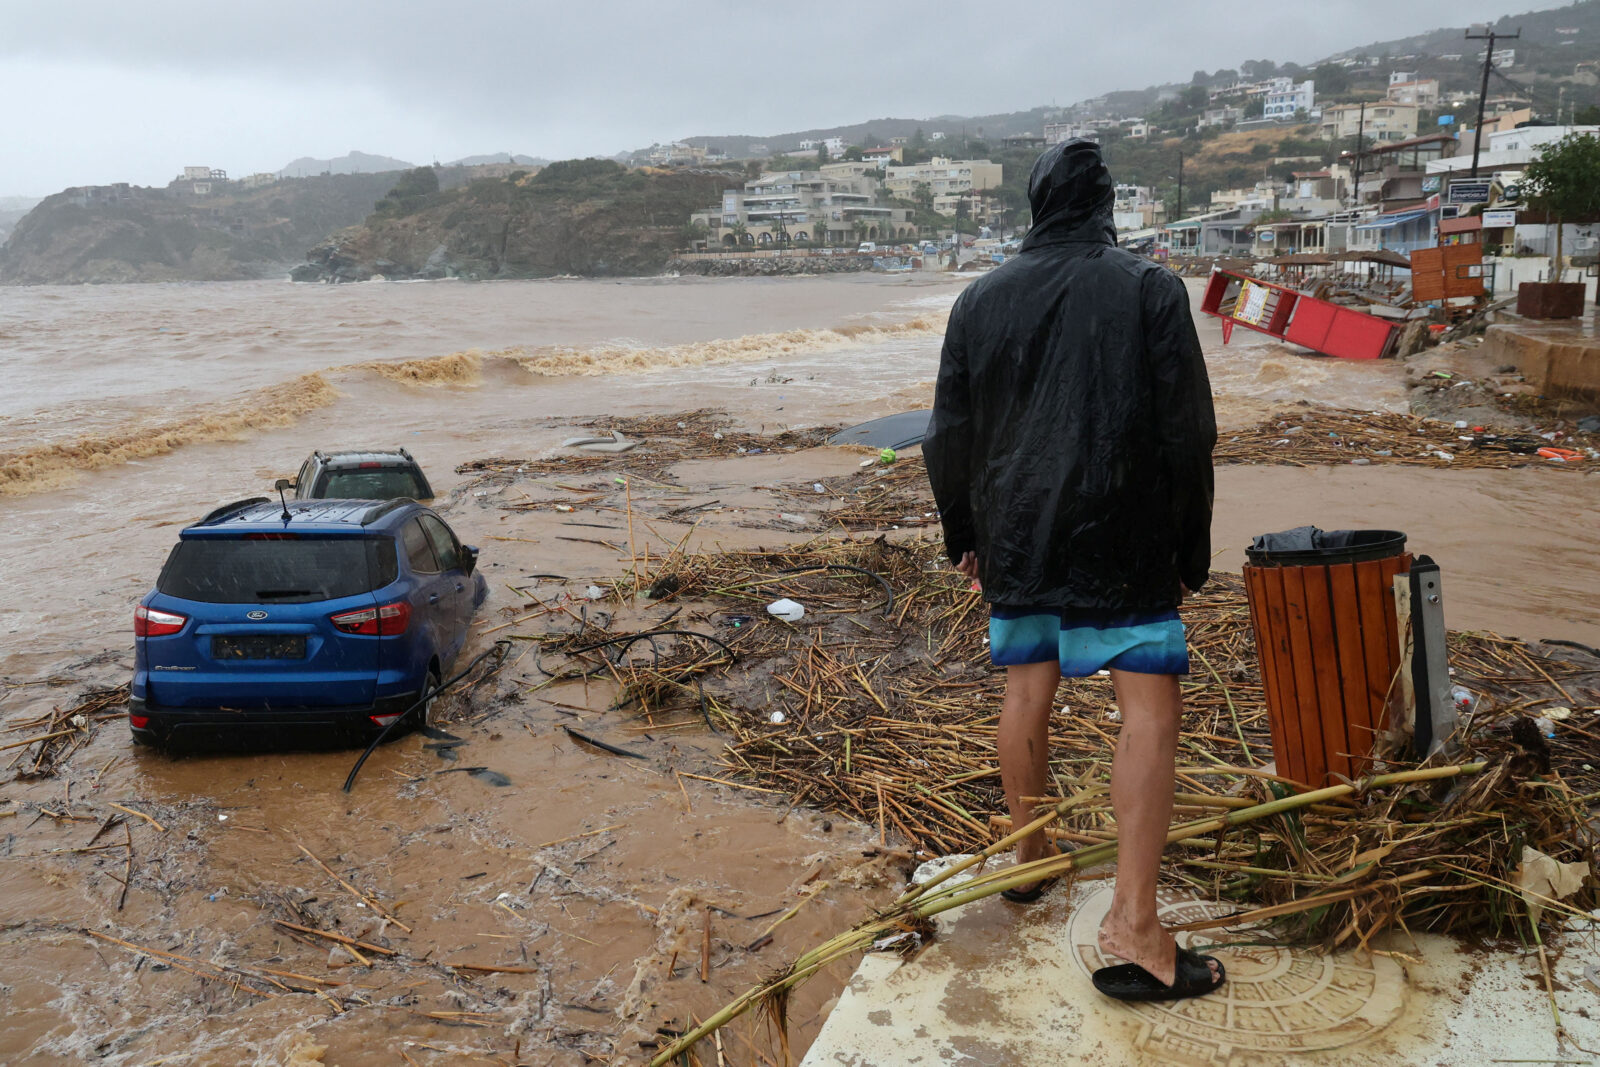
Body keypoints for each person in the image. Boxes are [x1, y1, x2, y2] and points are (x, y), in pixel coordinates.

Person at [923, 140, 1223, 1002]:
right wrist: (1189, 543)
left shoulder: (979, 299)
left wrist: (966, 534)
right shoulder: (1148, 288)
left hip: (1017, 535)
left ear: (1034, 202)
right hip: (1124, 534)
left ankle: (1030, 853)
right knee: (1148, 708)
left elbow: (949, 434)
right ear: (1105, 204)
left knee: (1025, 690)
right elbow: (1186, 433)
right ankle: (1133, 920)